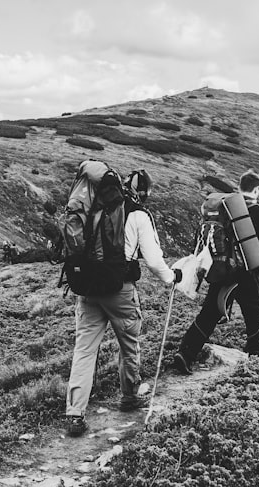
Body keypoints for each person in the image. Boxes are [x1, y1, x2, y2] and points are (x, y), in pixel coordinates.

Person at [65, 168, 182, 436]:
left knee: (84, 351)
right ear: (144, 193)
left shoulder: (93, 206)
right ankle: (129, 395)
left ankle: (74, 413)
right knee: (128, 344)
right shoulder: (138, 214)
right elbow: (153, 260)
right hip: (120, 291)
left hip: (88, 289)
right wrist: (171, 277)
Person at [172, 170, 259, 373]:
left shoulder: (225, 208)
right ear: (256, 190)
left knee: (209, 314)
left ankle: (185, 353)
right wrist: (257, 273)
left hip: (222, 268)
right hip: (245, 273)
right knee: (254, 316)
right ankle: (257, 360)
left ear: (239, 186)